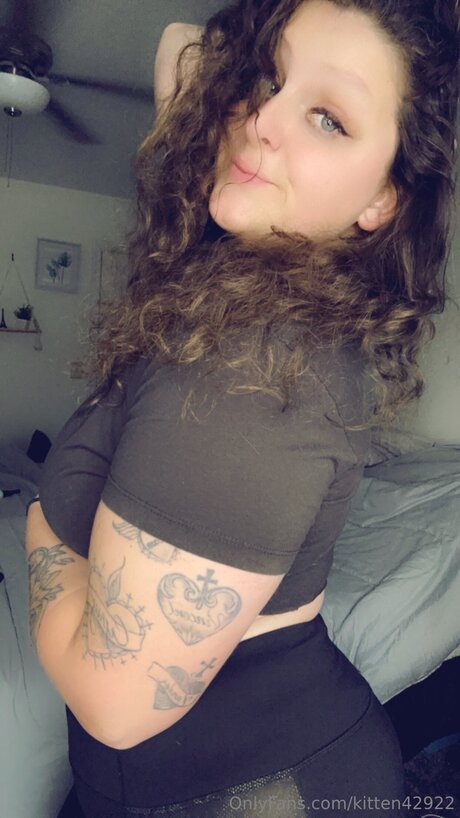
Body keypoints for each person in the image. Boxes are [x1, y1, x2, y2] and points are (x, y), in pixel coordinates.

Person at [25, 1, 458, 816]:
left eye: (329, 118)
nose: (260, 119)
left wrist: (40, 526)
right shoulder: (231, 298)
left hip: (264, 789)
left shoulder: (261, 365)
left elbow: (116, 704)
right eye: (265, 79)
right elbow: (180, 48)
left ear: (383, 199)